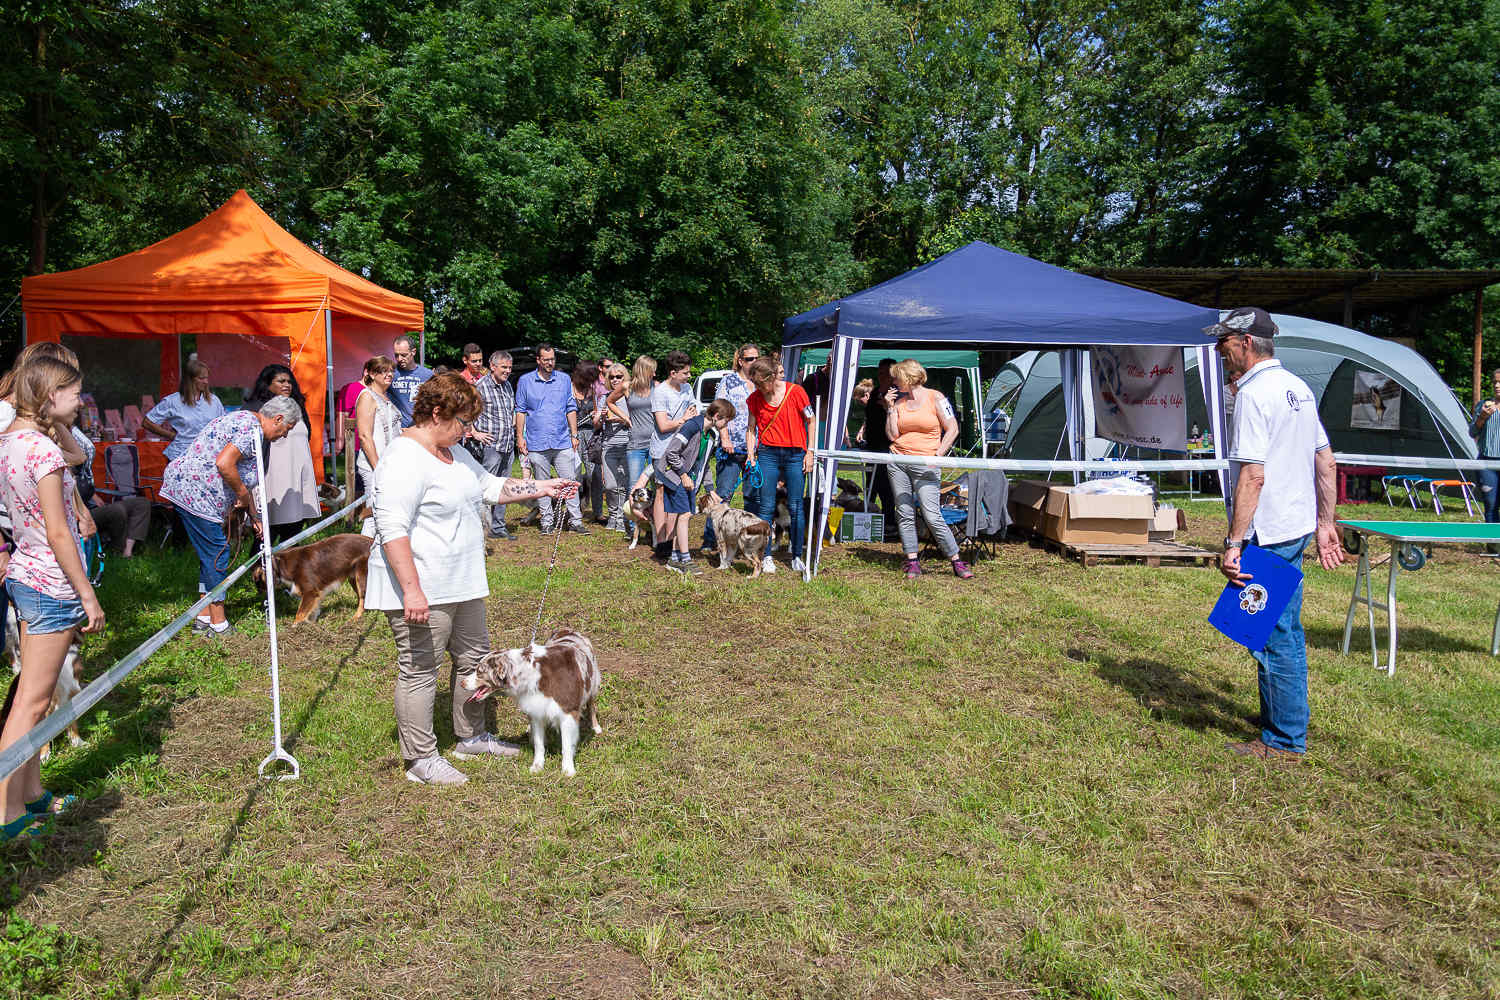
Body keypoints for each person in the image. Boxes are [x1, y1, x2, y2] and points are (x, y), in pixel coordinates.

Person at [366, 373, 575, 786]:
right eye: (463, 421)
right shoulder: (403, 459)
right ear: (437, 412)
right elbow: (391, 528)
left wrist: (545, 487)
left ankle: (471, 736)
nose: (467, 430)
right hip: (423, 589)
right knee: (420, 669)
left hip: (464, 583)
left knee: (474, 661)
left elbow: (491, 487)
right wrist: (411, 590)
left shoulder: (452, 452)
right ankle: (421, 759)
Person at [1213, 306, 1345, 763]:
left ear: (1246, 342)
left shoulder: (1254, 394)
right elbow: (1325, 460)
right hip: (1296, 525)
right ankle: (1283, 718)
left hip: (1268, 530)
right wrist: (1325, 523)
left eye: (1223, 343)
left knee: (1273, 633)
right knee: (1275, 626)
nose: (1219, 352)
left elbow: (1252, 475)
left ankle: (1284, 739)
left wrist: (1234, 541)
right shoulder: (1298, 388)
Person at [0, 357, 105, 842]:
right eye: (73, 392)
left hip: (28, 572)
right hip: (51, 580)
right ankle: (7, 814)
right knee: (31, 703)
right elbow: (60, 533)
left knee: (31, 697)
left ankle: (32, 792)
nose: (80, 401)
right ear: (48, 397)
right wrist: (89, 597)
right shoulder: (41, 452)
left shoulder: (11, 441)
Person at [160, 396, 301, 635]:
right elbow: (224, 464)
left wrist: (254, 516)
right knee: (217, 552)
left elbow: (240, 479)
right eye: (286, 429)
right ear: (278, 419)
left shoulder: (247, 422)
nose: (284, 435)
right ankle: (218, 623)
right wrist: (242, 493)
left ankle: (203, 617)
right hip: (196, 493)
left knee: (210, 555)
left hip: (191, 490)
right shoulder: (251, 429)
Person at [884, 359, 973, 580]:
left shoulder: (936, 397)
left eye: (896, 377)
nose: (893, 381)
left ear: (907, 377)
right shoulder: (899, 403)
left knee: (932, 515)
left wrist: (938, 455)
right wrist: (890, 409)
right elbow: (892, 435)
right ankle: (912, 560)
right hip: (898, 461)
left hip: (927, 463)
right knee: (904, 511)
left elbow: (952, 428)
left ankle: (956, 559)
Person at [745, 356, 814, 574]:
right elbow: (750, 429)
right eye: (754, 383)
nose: (758, 388)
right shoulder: (755, 399)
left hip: (795, 453)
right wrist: (750, 454)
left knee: (796, 506)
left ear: (772, 376)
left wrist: (810, 452)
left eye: (760, 383)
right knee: (765, 507)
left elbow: (811, 421)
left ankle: (796, 555)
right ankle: (766, 557)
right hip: (768, 454)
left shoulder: (796, 392)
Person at [657, 399, 734, 574]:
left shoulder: (711, 436)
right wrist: (683, 474)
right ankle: (685, 559)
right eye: (726, 421)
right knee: (685, 515)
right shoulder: (691, 427)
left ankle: (674, 558)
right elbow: (671, 452)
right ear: (716, 416)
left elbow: (704, 465)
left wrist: (710, 489)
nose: (726, 425)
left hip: (692, 482)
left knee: (682, 518)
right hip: (677, 478)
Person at [515, 344, 586, 534]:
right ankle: (547, 520)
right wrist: (519, 436)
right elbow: (520, 411)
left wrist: (574, 434)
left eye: (552, 359)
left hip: (562, 440)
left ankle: (575, 520)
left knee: (570, 480)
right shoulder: (525, 381)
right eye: (546, 359)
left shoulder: (563, 380)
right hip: (536, 442)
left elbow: (570, 407)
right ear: (538, 360)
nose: (550, 363)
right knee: (542, 483)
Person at [246, 365, 319, 543]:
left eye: (289, 381)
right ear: (267, 384)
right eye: (281, 381)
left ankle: (290, 569)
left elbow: (307, 434)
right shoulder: (258, 409)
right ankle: (260, 569)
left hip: (296, 475)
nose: (287, 385)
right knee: (267, 532)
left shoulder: (297, 408)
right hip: (272, 475)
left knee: (293, 531)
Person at [700, 343, 759, 556]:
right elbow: (718, 410)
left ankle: (749, 539)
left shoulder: (760, 382)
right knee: (723, 495)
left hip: (755, 448)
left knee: (753, 496)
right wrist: (724, 436)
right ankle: (710, 539)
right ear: (740, 361)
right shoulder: (729, 381)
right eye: (750, 359)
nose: (754, 362)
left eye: (756, 358)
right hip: (731, 447)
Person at [70, 419, 150, 557]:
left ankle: (128, 551)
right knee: (117, 510)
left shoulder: (80, 469)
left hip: (93, 504)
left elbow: (83, 481)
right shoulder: (58, 462)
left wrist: (93, 494)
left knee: (142, 503)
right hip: (81, 512)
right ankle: (117, 550)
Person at [471, 350, 517, 539]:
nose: (507, 371)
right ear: (493, 366)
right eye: (504, 367)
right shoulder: (480, 386)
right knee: (486, 488)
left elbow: (512, 410)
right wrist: (475, 433)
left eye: (509, 368)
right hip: (491, 446)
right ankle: (481, 528)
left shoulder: (507, 386)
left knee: (502, 488)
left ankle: (498, 527)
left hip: (507, 444)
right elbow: (467, 411)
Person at [140, 359, 225, 461]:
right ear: (190, 379)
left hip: (208, 457)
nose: (206, 382)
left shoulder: (214, 401)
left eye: (207, 378)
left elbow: (223, 426)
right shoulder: (172, 401)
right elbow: (147, 422)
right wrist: (170, 435)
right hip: (180, 457)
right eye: (201, 378)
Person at [618, 355, 658, 543]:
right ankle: (633, 526)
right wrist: (625, 418)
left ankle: (652, 524)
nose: (655, 373)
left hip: (654, 442)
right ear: (643, 370)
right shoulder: (627, 387)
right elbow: (609, 401)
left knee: (655, 485)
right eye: (652, 370)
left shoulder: (656, 387)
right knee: (634, 483)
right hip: (634, 443)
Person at [354, 355, 402, 503]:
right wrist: (378, 467)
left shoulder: (387, 396)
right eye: (384, 371)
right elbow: (364, 435)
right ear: (372, 374)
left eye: (391, 371)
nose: (389, 374)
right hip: (374, 465)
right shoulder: (367, 396)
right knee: (374, 511)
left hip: (389, 463)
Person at [863, 358, 899, 538]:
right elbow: (869, 419)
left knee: (887, 486)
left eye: (885, 373)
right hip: (872, 446)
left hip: (890, 448)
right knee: (870, 484)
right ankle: (866, 520)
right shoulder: (875, 392)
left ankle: (890, 523)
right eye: (879, 372)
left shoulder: (897, 395)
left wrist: (887, 407)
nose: (881, 376)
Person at [570, 361, 606, 525]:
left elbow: (598, 410)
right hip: (573, 436)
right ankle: (575, 510)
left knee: (595, 474)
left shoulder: (592, 390)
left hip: (592, 434)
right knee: (574, 473)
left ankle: (598, 512)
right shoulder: (568, 389)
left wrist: (596, 415)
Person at [599, 362, 632, 533]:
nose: (615, 380)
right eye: (611, 377)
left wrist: (620, 418)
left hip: (627, 443)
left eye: (619, 376)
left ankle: (621, 518)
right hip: (608, 445)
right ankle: (612, 515)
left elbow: (636, 421)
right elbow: (595, 425)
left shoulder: (630, 396)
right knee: (611, 486)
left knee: (625, 484)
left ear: (625, 377)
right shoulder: (603, 398)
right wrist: (601, 417)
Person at [1470, 367, 1500, 523]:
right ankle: (1493, 545)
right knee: (1491, 503)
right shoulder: (1484, 405)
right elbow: (1472, 433)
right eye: (1495, 382)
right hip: (1486, 463)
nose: (1497, 385)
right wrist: (1482, 417)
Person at [389, 335, 434, 427]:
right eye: (396, 355)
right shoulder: (390, 373)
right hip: (397, 430)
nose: (399, 359)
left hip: (421, 428)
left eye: (403, 355)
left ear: (413, 352)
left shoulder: (428, 375)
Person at [850, 378, 874, 446]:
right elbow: (867, 419)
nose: (860, 404)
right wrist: (861, 431)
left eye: (860, 401)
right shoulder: (869, 407)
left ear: (867, 395)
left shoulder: (877, 406)